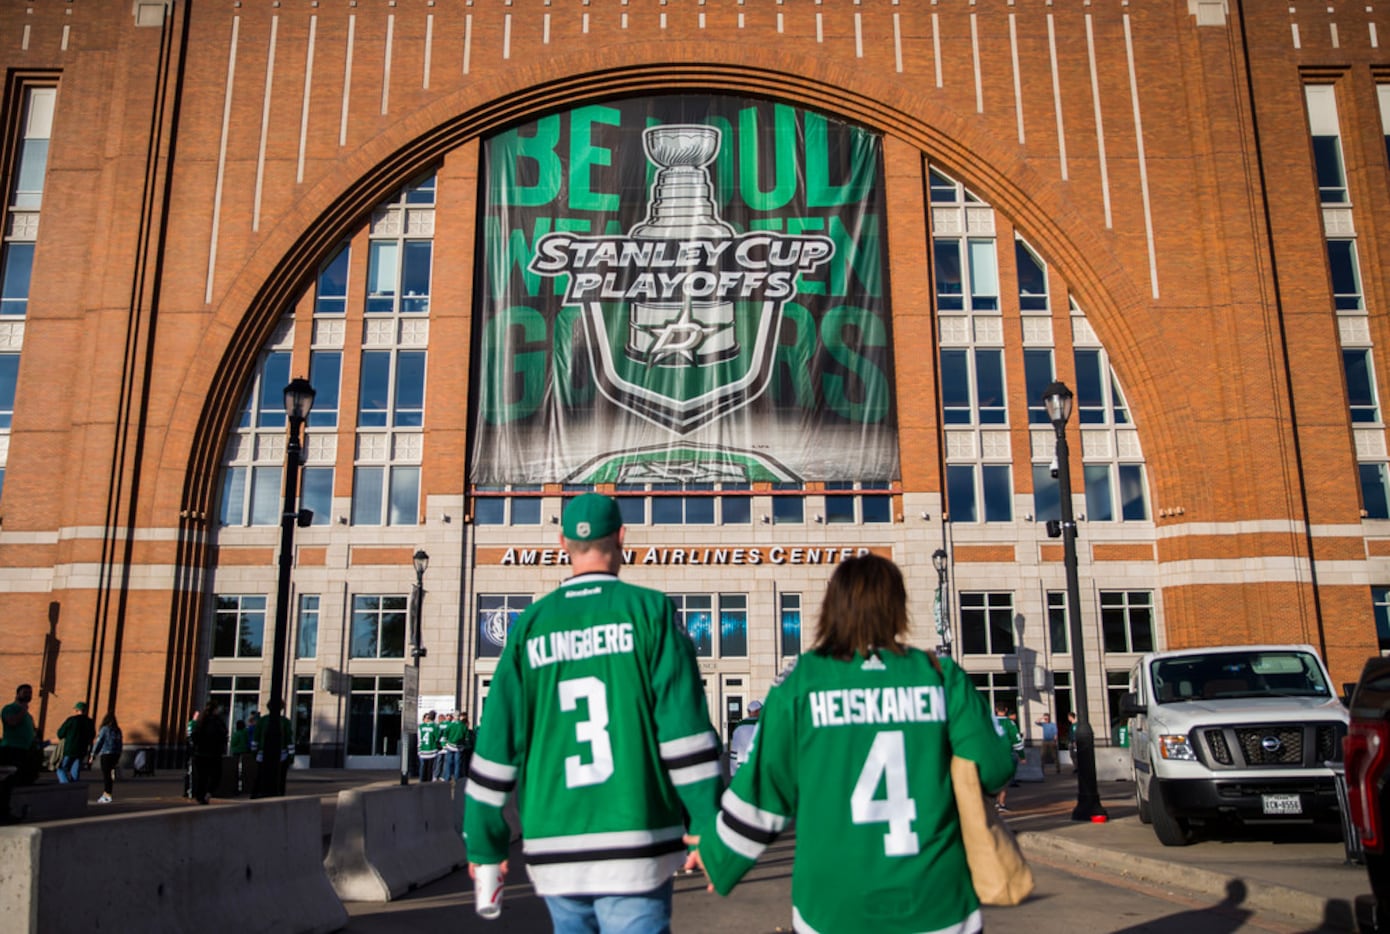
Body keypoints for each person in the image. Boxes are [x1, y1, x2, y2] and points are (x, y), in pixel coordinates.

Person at [684, 554, 1016, 934]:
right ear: (897, 608)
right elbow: (994, 768)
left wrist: (717, 854)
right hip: (936, 899)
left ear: (832, 608)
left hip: (833, 905)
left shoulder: (802, 681)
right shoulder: (940, 676)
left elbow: (766, 789)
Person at [464, 492, 722, 932]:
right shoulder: (650, 612)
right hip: (636, 837)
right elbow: (684, 733)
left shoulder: (530, 625)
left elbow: (496, 744)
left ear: (563, 542)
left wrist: (485, 843)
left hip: (555, 839)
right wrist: (705, 823)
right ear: (622, 536)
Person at [0, 683, 40, 822]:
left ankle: (10, 809)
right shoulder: (9, 708)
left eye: (30, 692)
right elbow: (11, 722)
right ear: (17, 694)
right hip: (11, 749)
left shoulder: (28, 715)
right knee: (8, 780)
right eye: (25, 692)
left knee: (25, 779)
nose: (28, 695)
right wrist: (22, 711)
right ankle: (4, 812)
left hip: (25, 752)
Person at [189, 700, 228, 804]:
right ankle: (208, 793)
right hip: (214, 754)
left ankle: (200, 796)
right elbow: (223, 735)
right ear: (215, 710)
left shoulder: (200, 721)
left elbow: (194, 735)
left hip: (201, 753)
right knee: (215, 776)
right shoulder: (218, 722)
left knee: (202, 777)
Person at [252, 700, 292, 797]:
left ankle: (257, 793)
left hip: (264, 753)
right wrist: (291, 755)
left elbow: (256, 737)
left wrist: (254, 752)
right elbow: (289, 739)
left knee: (261, 775)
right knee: (280, 777)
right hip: (280, 754)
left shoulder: (263, 720)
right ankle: (278, 793)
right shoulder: (284, 721)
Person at [55, 700, 96, 784]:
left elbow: (60, 733)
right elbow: (92, 735)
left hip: (70, 748)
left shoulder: (72, 720)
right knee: (75, 770)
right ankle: (74, 785)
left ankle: (65, 784)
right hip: (82, 749)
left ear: (77, 710)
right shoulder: (90, 722)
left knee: (61, 768)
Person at [994, 704, 1024, 810]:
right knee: (1005, 780)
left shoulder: (989, 721)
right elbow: (1016, 741)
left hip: (993, 754)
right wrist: (1022, 755)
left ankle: (995, 802)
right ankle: (1001, 802)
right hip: (1007, 754)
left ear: (996, 710)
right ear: (1006, 710)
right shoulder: (1009, 723)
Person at [89, 712, 123, 804]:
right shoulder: (117, 730)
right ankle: (107, 793)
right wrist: (119, 754)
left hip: (106, 753)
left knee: (106, 775)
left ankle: (107, 794)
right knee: (109, 775)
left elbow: (99, 742)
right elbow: (120, 743)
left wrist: (93, 754)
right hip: (115, 754)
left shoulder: (104, 729)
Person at [726, 700, 762, 777]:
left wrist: (733, 771)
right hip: (759, 765)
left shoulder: (739, 726)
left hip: (742, 766)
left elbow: (734, 749)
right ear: (757, 711)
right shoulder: (764, 725)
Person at [438, 712, 461, 783]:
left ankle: (447, 777)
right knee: (457, 763)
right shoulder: (461, 726)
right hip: (458, 747)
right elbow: (465, 737)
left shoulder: (450, 725)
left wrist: (446, 742)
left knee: (448, 762)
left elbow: (445, 735)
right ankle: (457, 778)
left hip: (450, 746)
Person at [228, 719, 250, 793]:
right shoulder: (246, 733)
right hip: (245, 751)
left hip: (237, 752)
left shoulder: (236, 734)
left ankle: (236, 787)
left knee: (236, 769)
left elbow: (233, 743)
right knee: (244, 769)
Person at [417, 711, 440, 782]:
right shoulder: (435, 727)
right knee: (430, 768)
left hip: (423, 749)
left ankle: (421, 781)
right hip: (432, 750)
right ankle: (428, 782)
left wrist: (419, 748)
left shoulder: (421, 726)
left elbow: (419, 738)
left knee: (423, 768)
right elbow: (437, 738)